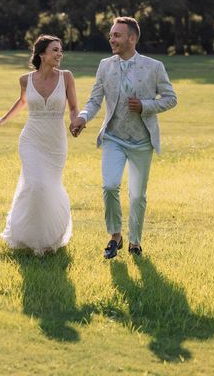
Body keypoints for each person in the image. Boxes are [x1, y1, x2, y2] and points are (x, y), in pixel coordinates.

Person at [69, 17, 177, 259]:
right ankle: (115, 236)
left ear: (132, 38)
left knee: (137, 195)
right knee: (109, 186)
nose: (112, 39)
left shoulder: (154, 66)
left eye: (117, 35)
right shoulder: (105, 65)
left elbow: (171, 98)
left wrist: (145, 106)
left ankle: (135, 242)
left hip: (142, 141)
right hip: (114, 138)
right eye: (111, 35)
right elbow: (95, 100)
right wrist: (83, 118)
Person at [0, 35, 79, 255]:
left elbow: (74, 107)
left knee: (49, 187)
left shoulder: (66, 77)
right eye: (55, 50)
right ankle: (24, 235)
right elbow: (22, 101)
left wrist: (76, 121)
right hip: (31, 139)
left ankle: (51, 237)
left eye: (61, 50)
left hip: (56, 142)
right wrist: (3, 119)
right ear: (42, 54)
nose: (60, 54)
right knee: (34, 185)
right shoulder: (25, 80)